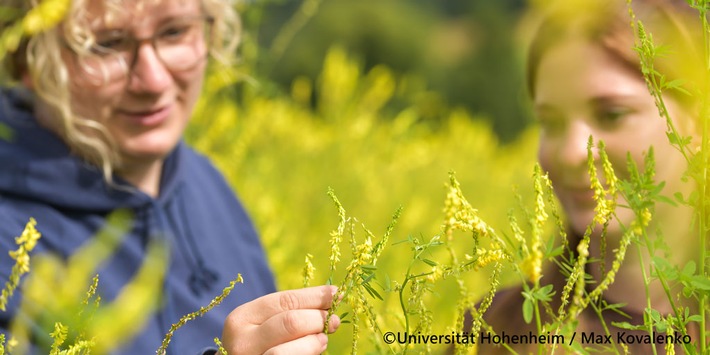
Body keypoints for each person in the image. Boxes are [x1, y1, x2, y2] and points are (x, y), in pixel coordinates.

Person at [0, 0, 339, 354]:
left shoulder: (206, 181)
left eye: (174, 31)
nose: (153, 80)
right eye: (108, 43)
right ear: (29, 58)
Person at [472, 0, 704, 353]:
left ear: (699, 122)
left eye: (611, 114)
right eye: (550, 122)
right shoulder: (495, 331)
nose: (570, 153)